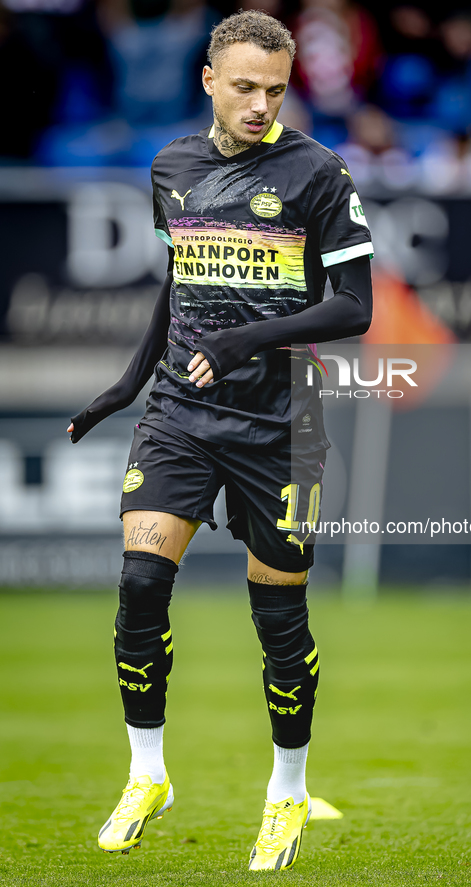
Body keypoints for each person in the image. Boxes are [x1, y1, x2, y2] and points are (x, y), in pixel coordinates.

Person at [68, 9, 373, 872]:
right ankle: (147, 772)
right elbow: (179, 277)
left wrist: (244, 342)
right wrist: (126, 385)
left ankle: (285, 793)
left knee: (277, 617)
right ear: (208, 78)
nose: (259, 105)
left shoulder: (318, 173)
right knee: (139, 581)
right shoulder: (171, 167)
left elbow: (355, 308)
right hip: (180, 413)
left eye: (274, 91)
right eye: (244, 87)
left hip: (282, 422)